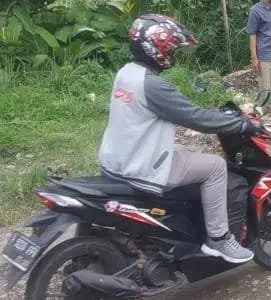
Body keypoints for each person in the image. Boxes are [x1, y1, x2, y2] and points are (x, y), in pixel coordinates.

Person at [99, 14, 260, 264]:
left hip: (115, 161)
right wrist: (241, 124)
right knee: (216, 167)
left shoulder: (126, 73)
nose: (172, 55)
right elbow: (195, 118)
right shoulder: (153, 86)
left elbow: (171, 111)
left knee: (185, 149)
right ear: (156, 49)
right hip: (141, 167)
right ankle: (218, 238)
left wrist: (206, 111)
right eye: (171, 49)